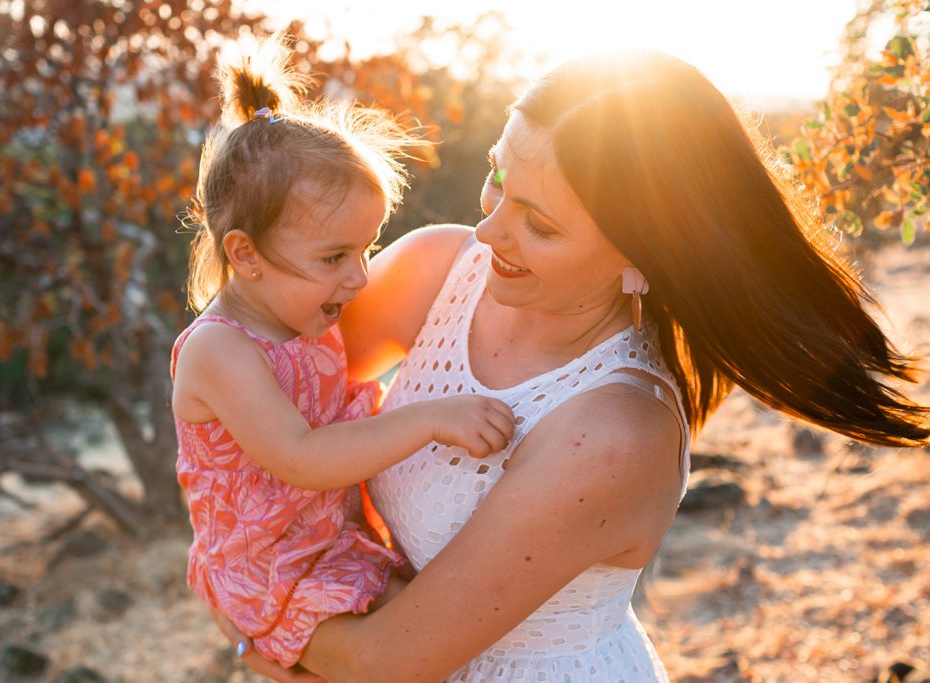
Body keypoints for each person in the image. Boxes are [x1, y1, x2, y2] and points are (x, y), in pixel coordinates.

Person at [212, 49, 930, 682]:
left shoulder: (615, 432)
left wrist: (251, 621)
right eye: (498, 176)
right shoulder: (440, 270)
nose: (489, 229)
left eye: (541, 223)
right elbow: (242, 380)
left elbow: (387, 662)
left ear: (644, 255)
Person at [169, 35, 514, 672]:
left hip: (329, 550)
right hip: (271, 570)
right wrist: (432, 420)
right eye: (334, 258)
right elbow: (301, 457)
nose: (359, 278)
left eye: (366, 248)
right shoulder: (220, 350)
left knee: (448, 636)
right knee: (416, 653)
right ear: (244, 255)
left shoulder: (303, 312)